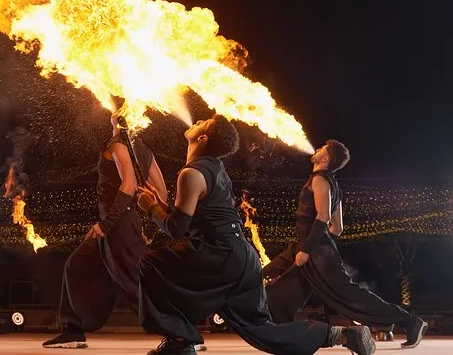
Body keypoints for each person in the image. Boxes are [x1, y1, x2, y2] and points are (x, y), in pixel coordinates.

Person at [136, 115, 375, 355]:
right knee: (261, 329)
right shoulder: (215, 168)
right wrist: (159, 205)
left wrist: (151, 208)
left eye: (203, 123)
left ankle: (180, 341)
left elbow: (176, 229)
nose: (197, 121)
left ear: (203, 138)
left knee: (152, 262)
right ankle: (342, 334)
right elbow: (190, 220)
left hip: (218, 255)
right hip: (241, 257)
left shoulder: (191, 174)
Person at [263, 140, 427, 348]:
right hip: (312, 247)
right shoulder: (332, 183)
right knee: (272, 282)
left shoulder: (320, 179)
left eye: (322, 149)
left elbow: (323, 217)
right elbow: (337, 227)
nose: (317, 149)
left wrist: (310, 249)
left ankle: (410, 321)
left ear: (325, 158)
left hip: (312, 249)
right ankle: (281, 332)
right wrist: (322, 246)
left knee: (349, 295)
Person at [42, 112, 168, 348]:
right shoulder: (142, 149)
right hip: (119, 223)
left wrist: (106, 224)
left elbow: (129, 185)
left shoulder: (118, 145)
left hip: (117, 224)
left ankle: (180, 332)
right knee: (77, 265)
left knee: (135, 282)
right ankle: (74, 331)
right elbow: (162, 192)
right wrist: (151, 229)